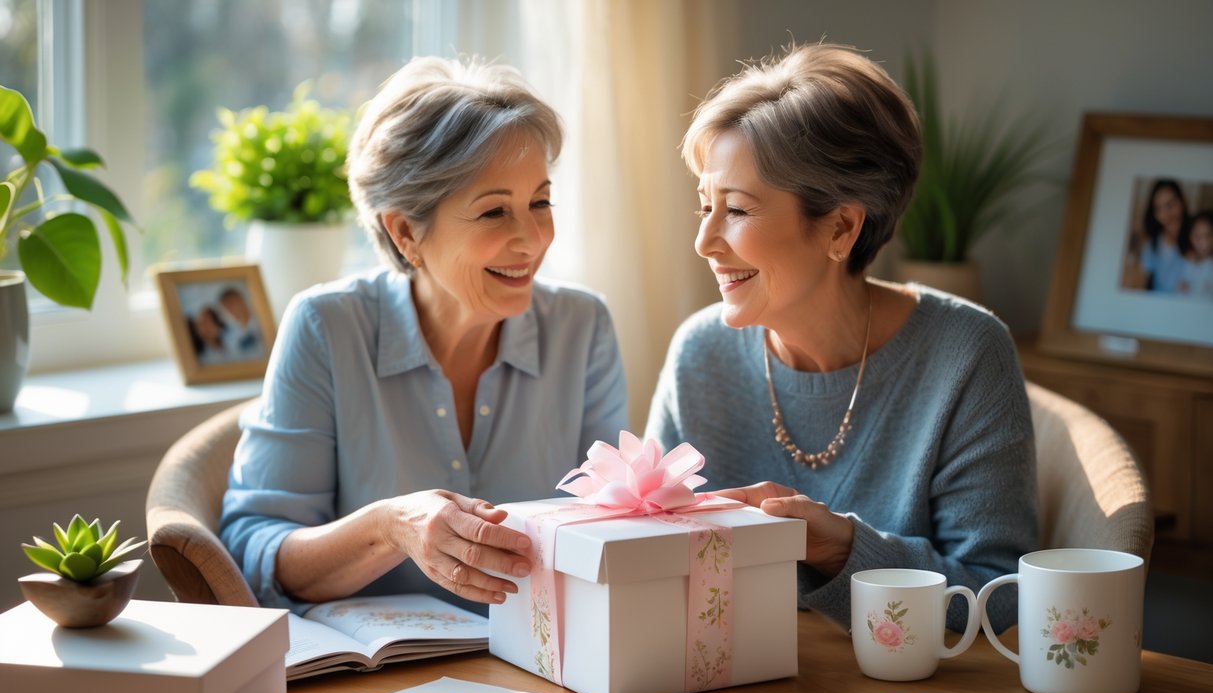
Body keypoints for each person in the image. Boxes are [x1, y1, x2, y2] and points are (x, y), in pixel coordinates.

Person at [645, 43, 1037, 635]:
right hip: (728, 688)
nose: (704, 241)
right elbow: (652, 560)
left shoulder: (966, 353)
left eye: (738, 211)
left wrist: (842, 549)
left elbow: (997, 598)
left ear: (841, 227)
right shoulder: (699, 354)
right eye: (704, 206)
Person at [220, 56, 629, 613]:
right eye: (493, 213)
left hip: (541, 671)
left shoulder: (583, 327)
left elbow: (612, 524)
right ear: (406, 231)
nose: (533, 239)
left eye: (539, 202)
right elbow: (254, 554)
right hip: (372, 684)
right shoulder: (325, 326)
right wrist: (390, 528)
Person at [1130, 179, 1188, 293]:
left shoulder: (1199, 236)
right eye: (1159, 209)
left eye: (1170, 205)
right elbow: (1141, 282)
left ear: (1182, 203)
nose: (1166, 214)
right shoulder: (1151, 243)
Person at [216, 286, 264, 359]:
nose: (230, 310)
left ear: (241, 300)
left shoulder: (263, 320)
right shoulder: (229, 337)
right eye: (226, 307)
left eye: (232, 304)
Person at [1178, 210, 1213, 301]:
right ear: (1190, 237)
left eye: (1208, 235)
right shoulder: (1186, 263)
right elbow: (1179, 293)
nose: (1203, 242)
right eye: (1197, 237)